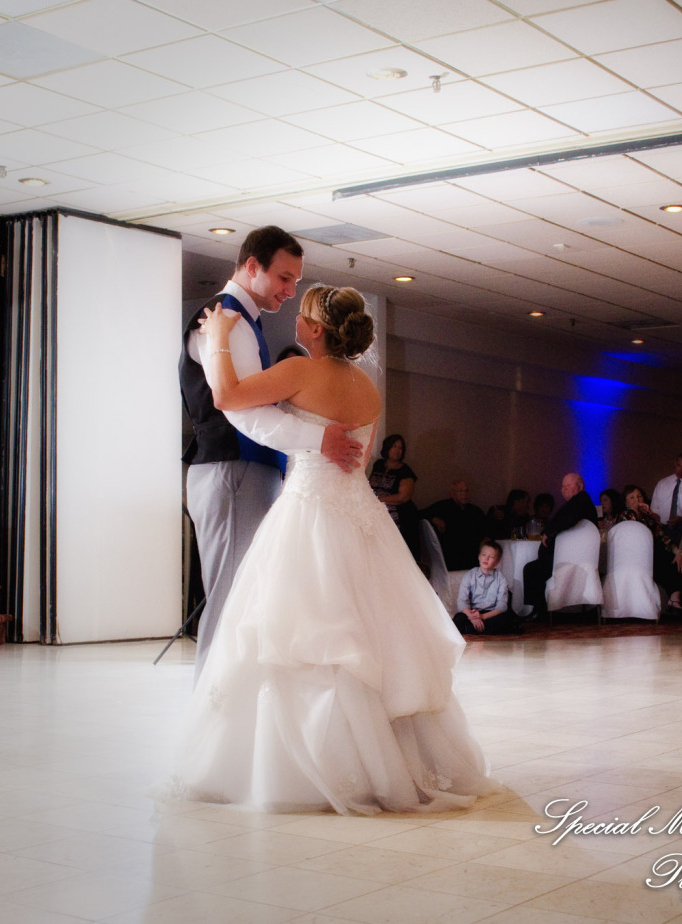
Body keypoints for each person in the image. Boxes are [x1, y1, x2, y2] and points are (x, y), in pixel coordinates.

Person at [168, 284, 498, 814]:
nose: (295, 321)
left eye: (301, 315)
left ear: (316, 329)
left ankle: (305, 770)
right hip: (362, 516)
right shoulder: (368, 387)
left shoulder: (300, 371)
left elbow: (227, 396)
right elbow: (358, 460)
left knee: (300, 636)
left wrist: (220, 337)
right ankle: (390, 763)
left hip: (309, 511)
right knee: (374, 635)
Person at [179, 225, 361, 682]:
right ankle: (211, 705)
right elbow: (241, 411)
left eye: (295, 281)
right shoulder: (226, 319)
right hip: (232, 469)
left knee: (246, 595)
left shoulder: (242, 320)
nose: (290, 291)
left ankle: (230, 705)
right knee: (231, 596)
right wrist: (319, 439)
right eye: (284, 278)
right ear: (252, 266)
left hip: (242, 469)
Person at [522, 473, 597, 617]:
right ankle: (540, 610)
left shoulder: (580, 501)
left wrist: (549, 533)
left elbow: (568, 519)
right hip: (572, 557)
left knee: (532, 569)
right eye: (562, 486)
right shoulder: (579, 502)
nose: (564, 489)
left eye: (568, 485)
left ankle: (539, 611)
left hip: (570, 558)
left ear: (580, 486)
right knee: (534, 568)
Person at [618, 484, 682, 618]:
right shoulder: (626, 514)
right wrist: (637, 511)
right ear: (626, 502)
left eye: (639, 496)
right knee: (665, 558)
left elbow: (663, 537)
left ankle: (675, 598)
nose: (637, 500)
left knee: (676, 561)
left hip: (654, 556)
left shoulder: (649, 518)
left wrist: (678, 552)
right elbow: (635, 530)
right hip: (635, 558)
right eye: (632, 497)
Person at [369, 433, 420, 559]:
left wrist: (378, 500)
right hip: (375, 508)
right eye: (394, 446)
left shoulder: (405, 471)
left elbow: (403, 497)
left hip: (398, 512)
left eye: (400, 448)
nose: (397, 450)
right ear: (387, 448)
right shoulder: (379, 464)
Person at [453, 541, 519, 636]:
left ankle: (469, 629)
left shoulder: (501, 579)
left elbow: (502, 606)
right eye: (484, 555)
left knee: (507, 618)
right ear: (479, 556)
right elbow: (462, 601)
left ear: (497, 561)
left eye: (491, 557)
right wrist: (472, 617)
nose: (486, 559)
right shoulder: (469, 575)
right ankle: (477, 628)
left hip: (490, 614)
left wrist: (482, 616)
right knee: (458, 619)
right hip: (471, 612)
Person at [422, 479, 486, 570]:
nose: (465, 494)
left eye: (466, 491)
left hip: (472, 552)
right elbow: (421, 514)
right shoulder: (442, 506)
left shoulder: (475, 511)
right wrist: (434, 519)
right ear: (452, 494)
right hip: (451, 553)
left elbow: (485, 529)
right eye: (460, 491)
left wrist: (486, 539)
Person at [650, 453, 682, 526]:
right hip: (662, 526)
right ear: (675, 464)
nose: (680, 471)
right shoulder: (662, 483)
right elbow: (654, 507)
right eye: (679, 466)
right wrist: (655, 517)